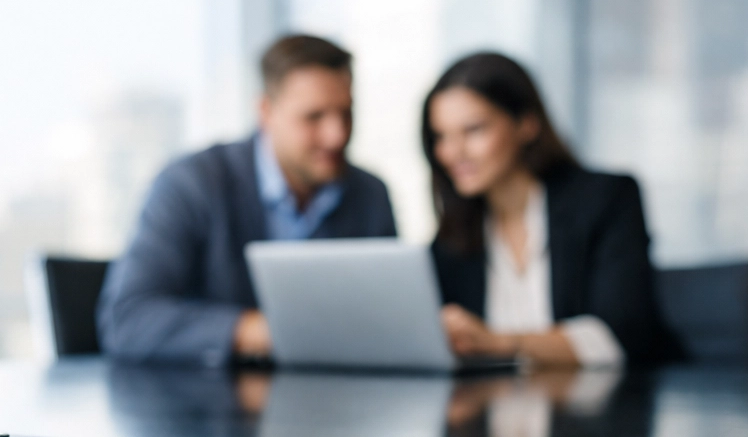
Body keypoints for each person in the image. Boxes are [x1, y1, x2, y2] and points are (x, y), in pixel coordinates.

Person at [98, 34, 397, 365]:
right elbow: (127, 319)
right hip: (214, 408)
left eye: (346, 114)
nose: (337, 135)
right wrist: (264, 331)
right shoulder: (192, 183)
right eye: (314, 117)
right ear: (266, 111)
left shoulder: (370, 194)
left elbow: (386, 315)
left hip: (340, 403)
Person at [422, 51, 665, 368]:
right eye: (441, 136)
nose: (453, 153)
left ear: (526, 124)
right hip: (497, 408)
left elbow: (622, 335)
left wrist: (498, 342)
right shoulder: (453, 237)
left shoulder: (607, 199)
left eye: (473, 130)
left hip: (608, 406)